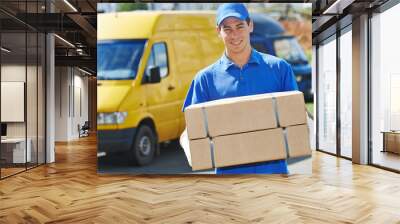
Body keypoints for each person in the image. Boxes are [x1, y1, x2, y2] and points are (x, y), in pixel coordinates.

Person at [182, 3, 298, 174]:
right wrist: (190, 148)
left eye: (239, 26)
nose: (234, 34)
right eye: (227, 28)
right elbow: (191, 130)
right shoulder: (205, 79)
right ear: (218, 32)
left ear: (250, 25)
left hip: (274, 175)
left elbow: (295, 118)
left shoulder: (280, 69)